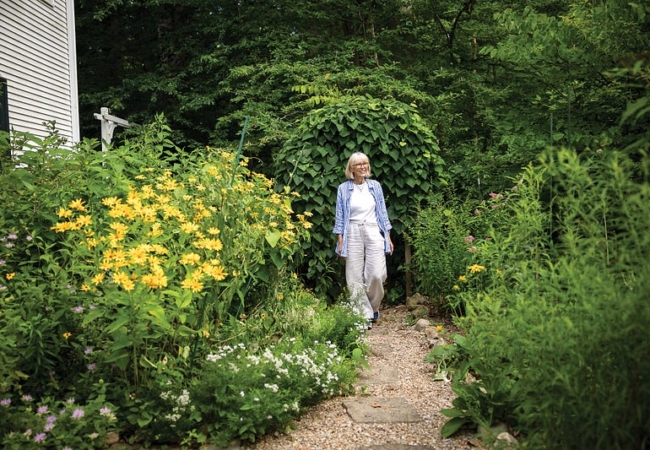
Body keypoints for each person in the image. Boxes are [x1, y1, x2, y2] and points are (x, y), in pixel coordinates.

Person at [333, 152, 394, 329]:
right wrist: (340, 240)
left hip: (373, 229)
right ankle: (364, 314)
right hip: (352, 230)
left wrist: (387, 236)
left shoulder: (375, 186)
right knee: (353, 276)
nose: (363, 167)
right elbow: (340, 215)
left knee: (376, 273)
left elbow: (382, 212)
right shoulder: (343, 188)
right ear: (351, 168)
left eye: (365, 163)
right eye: (358, 164)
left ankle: (373, 306)